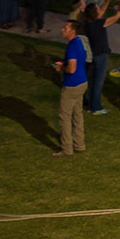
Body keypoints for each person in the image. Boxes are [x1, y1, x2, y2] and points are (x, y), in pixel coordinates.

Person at [50, 19, 89, 156]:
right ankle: (79, 144)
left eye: (65, 28)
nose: (62, 30)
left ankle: (67, 149)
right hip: (82, 82)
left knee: (65, 116)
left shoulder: (72, 46)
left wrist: (61, 67)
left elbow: (71, 69)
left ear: (73, 31)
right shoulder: (79, 42)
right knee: (77, 114)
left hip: (72, 85)